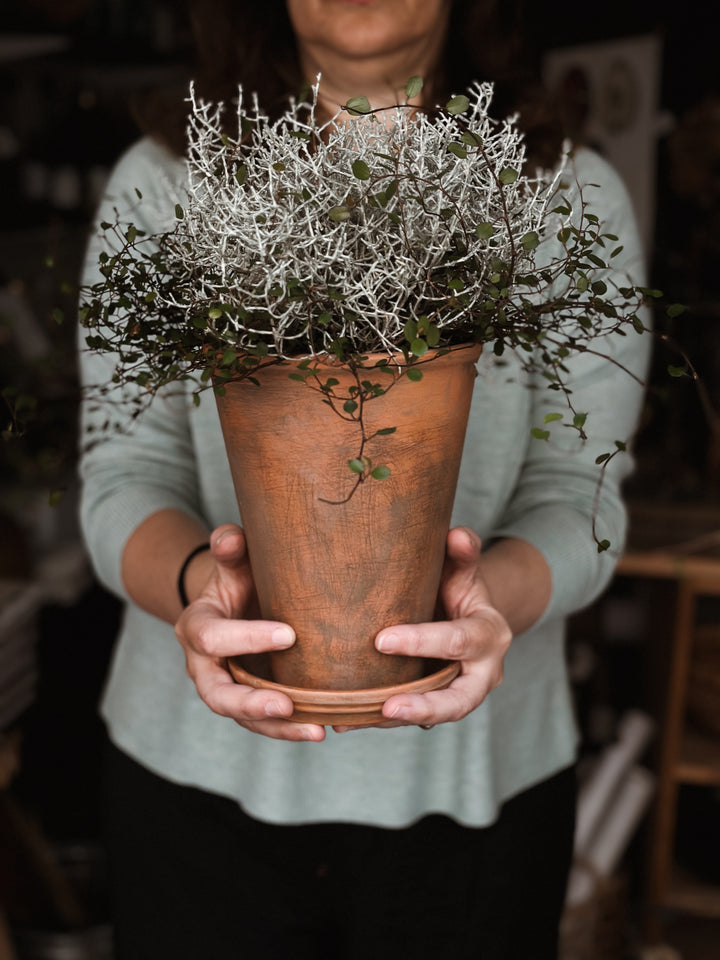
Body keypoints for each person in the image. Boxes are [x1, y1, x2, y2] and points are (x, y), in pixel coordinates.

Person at [78, 1, 650, 957]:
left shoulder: (561, 194)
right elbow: (121, 471)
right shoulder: (167, 183)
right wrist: (195, 591)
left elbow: (583, 491)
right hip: (189, 792)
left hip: (478, 798)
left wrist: (490, 602)